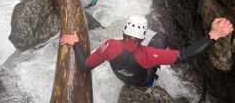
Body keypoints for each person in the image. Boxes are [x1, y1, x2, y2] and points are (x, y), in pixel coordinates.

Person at [60, 15, 234, 87]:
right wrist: (213, 35)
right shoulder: (149, 54)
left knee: (155, 49)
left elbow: (84, 65)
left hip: (124, 77)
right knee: (161, 37)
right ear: (143, 38)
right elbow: (185, 55)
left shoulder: (109, 46)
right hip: (144, 81)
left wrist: (76, 43)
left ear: (124, 31)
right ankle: (153, 75)